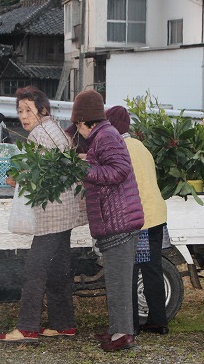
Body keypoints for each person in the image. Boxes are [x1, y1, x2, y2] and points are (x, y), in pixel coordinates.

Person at [0, 86, 82, 343]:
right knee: (58, 270)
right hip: (65, 212)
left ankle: (26, 328)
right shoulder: (53, 128)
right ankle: (63, 324)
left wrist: (18, 176)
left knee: (35, 269)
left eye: (28, 110)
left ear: (42, 110)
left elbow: (40, 174)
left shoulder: (40, 134)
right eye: (20, 110)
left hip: (52, 214)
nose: (23, 116)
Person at [71, 90, 144, 352]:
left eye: (78, 124)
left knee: (120, 281)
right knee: (114, 280)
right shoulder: (104, 135)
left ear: (84, 119)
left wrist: (84, 170)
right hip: (116, 219)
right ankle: (117, 330)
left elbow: (120, 169)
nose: (78, 130)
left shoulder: (106, 135)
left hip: (120, 220)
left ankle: (124, 334)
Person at [105, 106, 169, 336]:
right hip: (155, 216)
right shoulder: (141, 147)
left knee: (129, 271)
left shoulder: (119, 148)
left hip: (138, 220)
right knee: (152, 269)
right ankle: (158, 321)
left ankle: (130, 324)